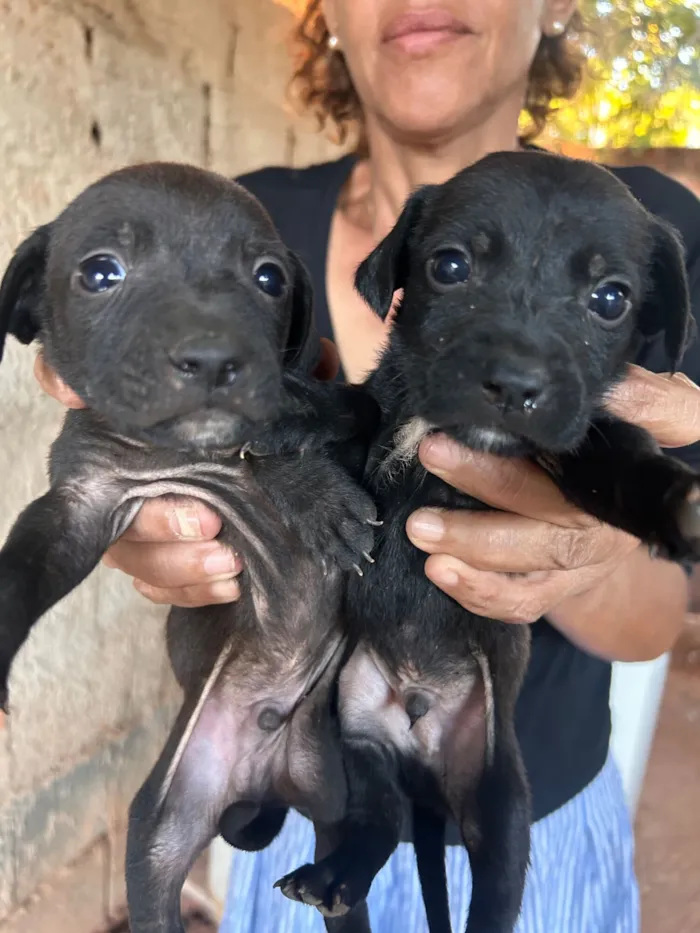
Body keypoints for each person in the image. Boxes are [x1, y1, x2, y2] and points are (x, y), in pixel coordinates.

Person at [35, 1, 700, 930]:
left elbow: (656, 619)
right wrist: (144, 491)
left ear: (554, 6)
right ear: (328, 16)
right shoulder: (241, 223)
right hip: (312, 804)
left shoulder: (658, 224)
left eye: (603, 298)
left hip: (532, 822)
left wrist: (610, 517)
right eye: (454, 268)